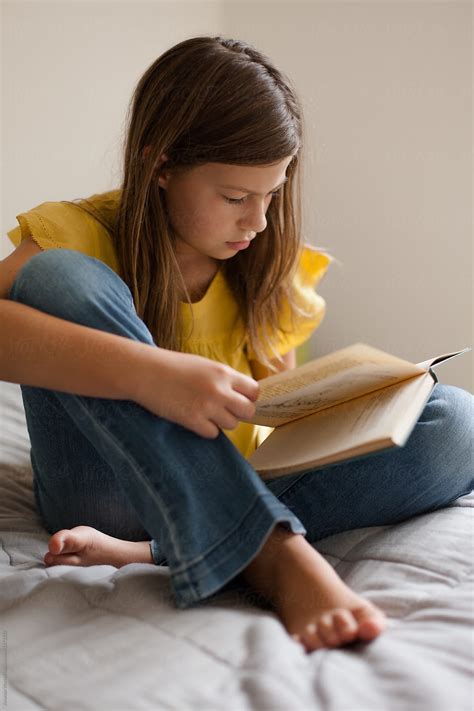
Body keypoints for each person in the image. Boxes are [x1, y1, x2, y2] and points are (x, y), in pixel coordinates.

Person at [3, 36, 473, 655]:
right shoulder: (82, 234)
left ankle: (159, 550)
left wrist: (343, 416)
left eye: (272, 195)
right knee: (58, 278)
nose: (258, 221)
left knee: (455, 422)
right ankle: (272, 553)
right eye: (235, 198)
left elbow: (278, 417)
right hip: (109, 488)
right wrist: (154, 376)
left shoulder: (264, 265)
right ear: (160, 165)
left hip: (224, 483)